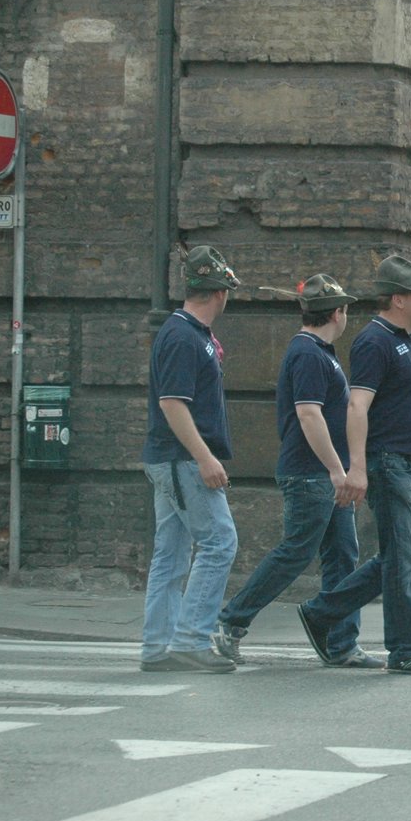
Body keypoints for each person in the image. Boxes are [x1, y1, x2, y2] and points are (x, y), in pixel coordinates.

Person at [213, 275, 380, 667]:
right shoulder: (307, 353)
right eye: (345, 310)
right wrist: (337, 470)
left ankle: (341, 643)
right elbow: (309, 415)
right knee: (296, 552)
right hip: (311, 474)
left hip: (322, 474)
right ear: (337, 313)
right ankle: (230, 623)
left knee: (342, 556)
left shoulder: (319, 351)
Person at [295, 256, 411, 675]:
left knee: (398, 557)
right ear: (398, 299)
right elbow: (357, 406)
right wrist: (357, 467)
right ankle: (404, 650)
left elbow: (405, 408)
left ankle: (322, 612)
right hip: (386, 464)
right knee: (400, 560)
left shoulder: (406, 340)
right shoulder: (374, 341)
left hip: (406, 461)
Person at [139, 246, 242, 673]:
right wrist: (205, 458)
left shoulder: (185, 333)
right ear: (220, 293)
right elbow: (173, 405)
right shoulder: (184, 337)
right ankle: (190, 639)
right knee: (221, 542)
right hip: (183, 460)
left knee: (173, 554)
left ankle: (159, 647)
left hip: (171, 458)